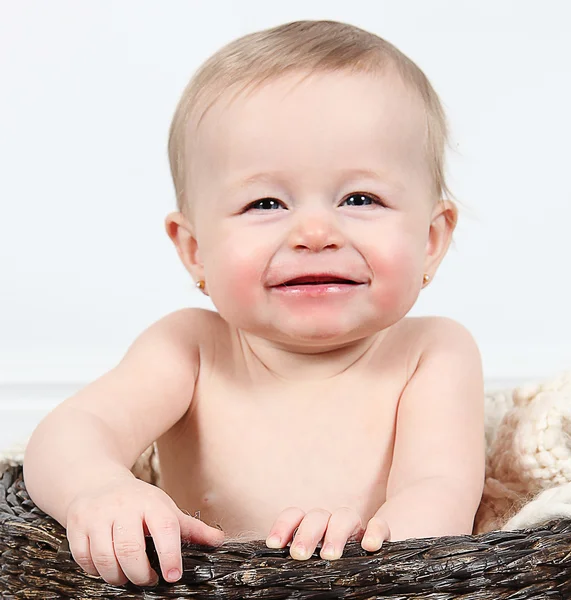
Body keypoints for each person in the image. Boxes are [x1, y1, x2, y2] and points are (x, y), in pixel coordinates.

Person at [23, 19, 486, 589]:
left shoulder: (432, 352)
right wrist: (98, 487)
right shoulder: (191, 348)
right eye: (266, 202)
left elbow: (440, 495)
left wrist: (372, 545)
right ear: (195, 251)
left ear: (431, 241)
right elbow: (72, 429)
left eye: (359, 198)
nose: (315, 232)